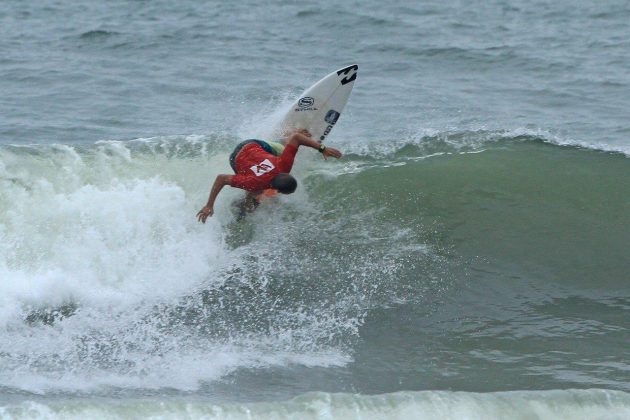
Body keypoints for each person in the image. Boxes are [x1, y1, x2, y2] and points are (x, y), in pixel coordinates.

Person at [196, 129, 342, 223]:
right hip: (236, 157)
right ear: (275, 189)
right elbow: (221, 178)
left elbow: (297, 139)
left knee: (255, 188)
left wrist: (323, 149)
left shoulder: (284, 165)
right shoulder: (256, 183)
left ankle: (248, 201)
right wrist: (209, 205)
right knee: (257, 187)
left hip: (250, 145)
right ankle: (286, 136)